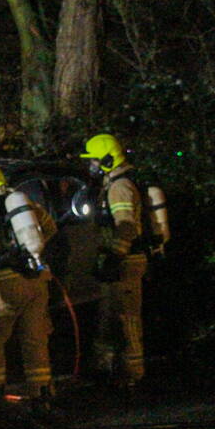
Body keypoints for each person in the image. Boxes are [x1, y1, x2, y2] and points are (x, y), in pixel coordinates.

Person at [0, 161, 57, 421]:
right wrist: (30, 254)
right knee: (35, 339)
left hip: (7, 281)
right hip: (38, 280)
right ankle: (41, 395)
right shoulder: (22, 200)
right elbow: (50, 227)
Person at [80, 133, 148, 389]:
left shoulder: (120, 187)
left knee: (126, 317)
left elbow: (126, 227)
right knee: (110, 315)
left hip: (125, 262)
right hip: (118, 261)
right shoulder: (114, 185)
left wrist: (115, 255)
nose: (92, 166)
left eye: (95, 160)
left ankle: (132, 372)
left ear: (108, 158)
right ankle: (107, 368)